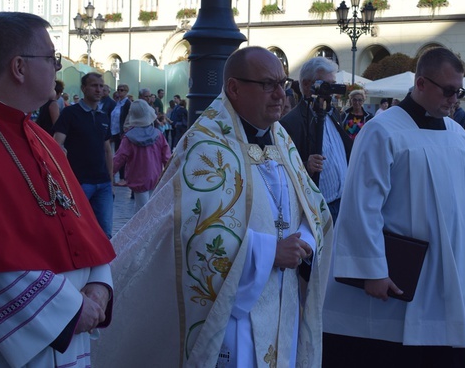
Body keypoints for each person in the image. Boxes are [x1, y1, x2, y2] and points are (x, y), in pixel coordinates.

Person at [92, 46, 332, 367]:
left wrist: (305, 239)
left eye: (283, 83)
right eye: (267, 84)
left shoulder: (282, 140)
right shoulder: (206, 146)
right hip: (233, 313)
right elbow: (192, 233)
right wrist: (267, 252)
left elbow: (312, 205)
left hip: (280, 300)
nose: (280, 94)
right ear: (234, 88)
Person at [0, 11, 115, 367]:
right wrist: (69, 309)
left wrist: (99, 283)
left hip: (70, 327)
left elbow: (80, 224)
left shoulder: (40, 138)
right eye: (51, 58)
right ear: (19, 67)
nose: (57, 68)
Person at [322, 48, 465, 368]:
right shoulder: (382, 130)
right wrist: (371, 270)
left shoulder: (460, 138)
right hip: (397, 278)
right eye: (449, 91)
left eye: (459, 91)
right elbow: (361, 206)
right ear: (421, 83)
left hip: (448, 273)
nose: (456, 100)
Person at [280, 57, 352, 221]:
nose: (330, 91)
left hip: (342, 202)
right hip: (317, 208)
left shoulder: (333, 113)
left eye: (332, 84)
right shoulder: (291, 123)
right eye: (325, 85)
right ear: (306, 84)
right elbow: (282, 171)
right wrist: (305, 166)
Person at [53, 72, 115, 238]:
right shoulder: (70, 113)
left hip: (103, 183)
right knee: (77, 231)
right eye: (94, 86)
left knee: (105, 233)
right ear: (84, 88)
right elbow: (57, 143)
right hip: (79, 182)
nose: (98, 90)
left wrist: (110, 179)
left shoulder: (103, 116)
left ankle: (102, 265)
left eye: (101, 86)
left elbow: (107, 149)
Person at [112, 99, 171, 210]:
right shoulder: (158, 135)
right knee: (151, 208)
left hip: (137, 179)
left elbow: (119, 158)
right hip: (155, 176)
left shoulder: (129, 137)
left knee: (141, 209)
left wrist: (109, 173)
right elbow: (167, 157)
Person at [110, 83, 131, 179]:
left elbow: (128, 118)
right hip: (114, 131)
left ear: (126, 92)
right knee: (116, 153)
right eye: (118, 89)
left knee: (122, 154)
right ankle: (117, 174)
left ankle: (123, 176)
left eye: (122, 90)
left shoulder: (127, 103)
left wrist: (125, 131)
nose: (119, 91)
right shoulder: (117, 102)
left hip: (122, 132)